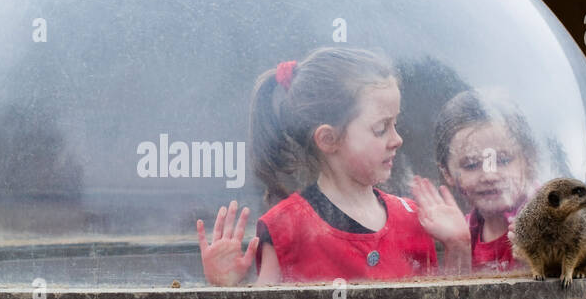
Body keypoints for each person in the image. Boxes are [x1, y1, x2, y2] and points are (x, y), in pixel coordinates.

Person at [197, 47, 471, 286]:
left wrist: (459, 246)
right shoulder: (286, 228)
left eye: (395, 124)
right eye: (380, 129)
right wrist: (227, 288)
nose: (397, 139)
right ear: (328, 139)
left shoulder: (415, 220)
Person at [420, 88, 540, 273]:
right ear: (447, 173)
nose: (490, 176)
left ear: (529, 160)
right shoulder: (463, 229)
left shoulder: (547, 219)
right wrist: (457, 247)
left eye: (503, 160)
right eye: (472, 164)